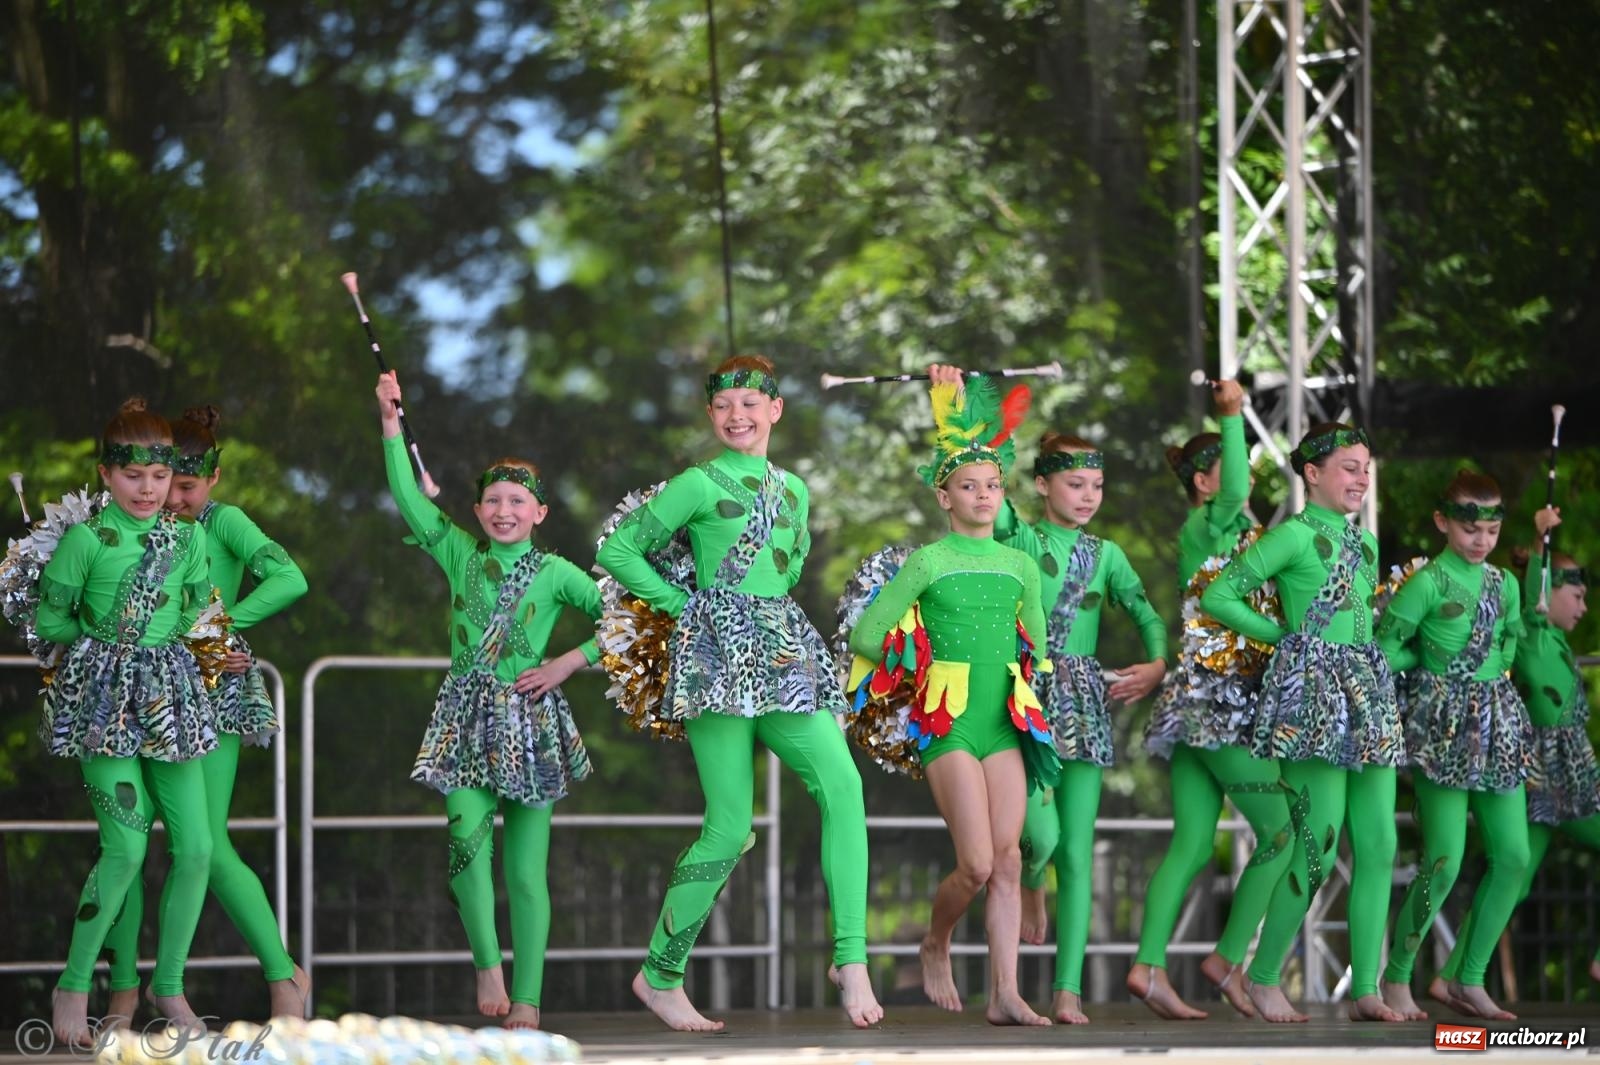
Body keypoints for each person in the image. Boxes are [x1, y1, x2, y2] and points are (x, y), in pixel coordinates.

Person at [596, 355, 880, 1032]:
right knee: (731, 825)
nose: (738, 416)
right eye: (724, 406)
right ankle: (660, 973)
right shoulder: (696, 482)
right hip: (715, 654)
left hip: (782, 652)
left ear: (775, 411)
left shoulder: (795, 489)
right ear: (711, 415)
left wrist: (759, 610)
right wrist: (686, 602)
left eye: (751, 404)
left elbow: (793, 560)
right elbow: (619, 551)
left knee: (843, 786)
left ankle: (851, 957)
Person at [377, 371, 600, 1030]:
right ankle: (487, 962)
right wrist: (391, 424)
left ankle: (527, 998)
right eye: (493, 501)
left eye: (517, 501)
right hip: (465, 719)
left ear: (539, 513)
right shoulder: (457, 551)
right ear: (476, 512)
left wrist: (567, 661)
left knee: (527, 872)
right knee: (466, 851)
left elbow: (629, 620)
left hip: (532, 721)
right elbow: (406, 498)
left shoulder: (558, 572)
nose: (504, 510)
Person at [846, 368, 1054, 1026]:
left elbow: (1037, 647)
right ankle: (935, 941)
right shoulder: (929, 561)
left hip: (1004, 722)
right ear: (945, 496)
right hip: (949, 722)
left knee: (1009, 859)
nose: (984, 494)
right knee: (974, 863)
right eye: (970, 485)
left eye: (993, 485)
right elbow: (868, 631)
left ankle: (1005, 994)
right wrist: (916, 663)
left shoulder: (1021, 565)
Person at [103, 405, 311, 1022]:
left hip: (210, 693)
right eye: (168, 483)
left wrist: (218, 628)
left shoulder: (224, 523)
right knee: (127, 843)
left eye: (186, 487)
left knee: (206, 847)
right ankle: (121, 990)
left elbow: (290, 577)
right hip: (133, 695)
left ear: (212, 480)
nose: (173, 498)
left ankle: (282, 976)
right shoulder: (129, 522)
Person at [1202, 422, 1404, 1023]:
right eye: (1348, 466)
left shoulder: (1365, 544)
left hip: (1366, 694)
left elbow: (1363, 623)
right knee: (1320, 842)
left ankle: (1367, 988)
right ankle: (1264, 977)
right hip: (1313, 695)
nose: (1361, 477)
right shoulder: (1290, 536)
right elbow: (1221, 596)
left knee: (1381, 842)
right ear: (1312, 474)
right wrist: (1285, 635)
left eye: (1366, 467)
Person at [38, 399, 217, 1046]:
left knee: (197, 847)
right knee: (127, 847)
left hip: (172, 700)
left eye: (159, 476)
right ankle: (73, 984)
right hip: (104, 703)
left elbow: (199, 610)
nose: (148, 488)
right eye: (133, 475)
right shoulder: (85, 541)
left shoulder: (190, 539)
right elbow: (50, 621)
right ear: (106, 475)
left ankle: (168, 984)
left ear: (173, 477)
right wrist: (104, 646)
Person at [988, 409, 1167, 1025]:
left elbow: (1147, 615)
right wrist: (961, 416)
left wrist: (1157, 664)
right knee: (1041, 837)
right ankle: (1031, 877)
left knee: (1080, 850)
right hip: (1024, 697)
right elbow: (984, 480)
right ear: (1043, 486)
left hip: (1085, 699)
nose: (1088, 496)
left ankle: (1068, 991)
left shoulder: (1108, 555)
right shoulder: (1020, 538)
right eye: (1074, 484)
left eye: (1096, 485)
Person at [1131, 379, 1294, 1020]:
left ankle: (1148, 966)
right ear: (1204, 483)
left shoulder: (1235, 527)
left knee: (1194, 846)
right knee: (1283, 831)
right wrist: (1232, 417)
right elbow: (1234, 491)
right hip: (1219, 701)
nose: (1242, 479)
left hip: (1197, 701)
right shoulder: (1211, 520)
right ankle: (1228, 958)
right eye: (1230, 467)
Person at [1430, 505, 1600, 1012]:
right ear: (1550, 593)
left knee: (1518, 879)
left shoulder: (1558, 645)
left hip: (1563, 779)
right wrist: (1540, 540)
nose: (1585, 607)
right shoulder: (1529, 629)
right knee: (1516, 873)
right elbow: (1531, 601)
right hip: (1551, 774)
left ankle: (1449, 975)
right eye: (1578, 594)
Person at [1375, 471, 1529, 1022]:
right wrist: (1427, 664)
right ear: (1442, 523)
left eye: (1490, 528)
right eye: (1469, 528)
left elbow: (1510, 639)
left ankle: (1468, 979)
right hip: (1442, 726)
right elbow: (1384, 650)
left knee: (1513, 856)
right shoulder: (1427, 583)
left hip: (1498, 724)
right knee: (1443, 862)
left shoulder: (1506, 585)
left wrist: (1492, 678)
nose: (1481, 540)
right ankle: (1396, 980)